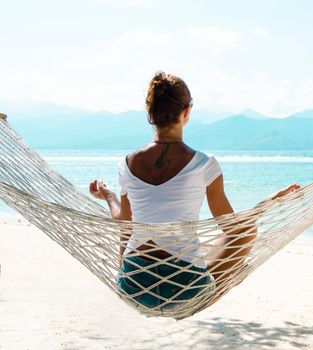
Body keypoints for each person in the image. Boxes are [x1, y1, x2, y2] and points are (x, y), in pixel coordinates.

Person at [89, 71, 300, 312]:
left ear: (149, 113)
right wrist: (270, 202)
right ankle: (227, 280)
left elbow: (124, 226)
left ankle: (222, 278)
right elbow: (234, 228)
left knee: (197, 248)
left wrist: (109, 195)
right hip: (184, 290)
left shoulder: (126, 164)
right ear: (187, 111)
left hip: (135, 287)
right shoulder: (204, 164)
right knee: (247, 230)